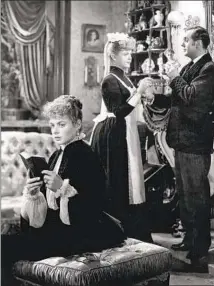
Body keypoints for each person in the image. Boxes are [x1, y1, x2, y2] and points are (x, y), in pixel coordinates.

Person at [1, 95, 126, 285]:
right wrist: (35, 195)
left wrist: (63, 189)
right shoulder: (55, 155)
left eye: (61, 124)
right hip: (56, 229)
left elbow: (95, 206)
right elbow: (49, 206)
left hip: (81, 233)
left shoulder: (87, 156)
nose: (55, 131)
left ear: (77, 125)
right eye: (52, 126)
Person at [90, 33, 153, 242]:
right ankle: (118, 233)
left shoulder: (123, 77)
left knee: (129, 178)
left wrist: (145, 94)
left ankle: (133, 233)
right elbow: (119, 111)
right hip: (113, 134)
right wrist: (139, 92)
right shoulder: (109, 79)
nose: (129, 57)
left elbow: (130, 106)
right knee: (118, 180)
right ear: (114, 56)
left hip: (125, 131)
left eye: (130, 53)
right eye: (125, 54)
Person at [165, 26, 214, 272]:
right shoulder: (189, 67)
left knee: (197, 197)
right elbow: (177, 99)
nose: (183, 43)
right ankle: (189, 239)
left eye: (186, 39)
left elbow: (190, 98)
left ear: (199, 42)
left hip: (195, 144)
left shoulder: (209, 69)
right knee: (186, 196)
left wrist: (175, 77)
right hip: (181, 141)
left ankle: (200, 251)